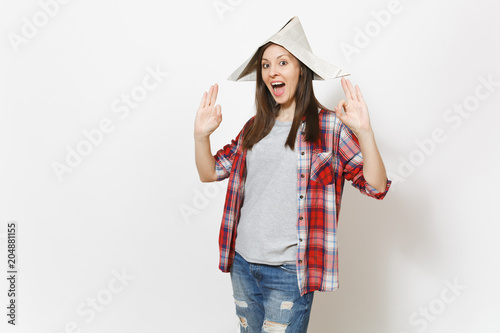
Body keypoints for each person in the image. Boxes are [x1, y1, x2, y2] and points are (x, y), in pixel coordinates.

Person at [194, 17, 391, 333]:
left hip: (289, 273)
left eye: (282, 62)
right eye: (265, 65)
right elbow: (210, 172)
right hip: (243, 264)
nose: (272, 71)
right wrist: (200, 136)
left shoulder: (329, 128)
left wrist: (365, 132)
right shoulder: (254, 128)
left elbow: (377, 186)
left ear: (302, 70)